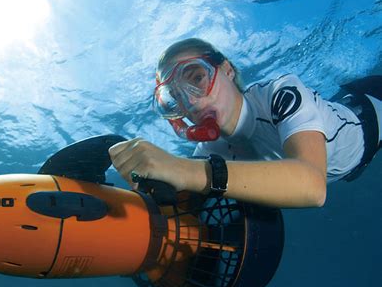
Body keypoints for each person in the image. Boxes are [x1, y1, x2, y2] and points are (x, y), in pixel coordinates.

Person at [108, 38, 381, 208]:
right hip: (355, 156)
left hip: (373, 109)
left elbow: (312, 186)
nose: (191, 103)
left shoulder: (280, 93)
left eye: (196, 78)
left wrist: (184, 170)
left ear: (227, 69)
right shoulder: (208, 153)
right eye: (175, 98)